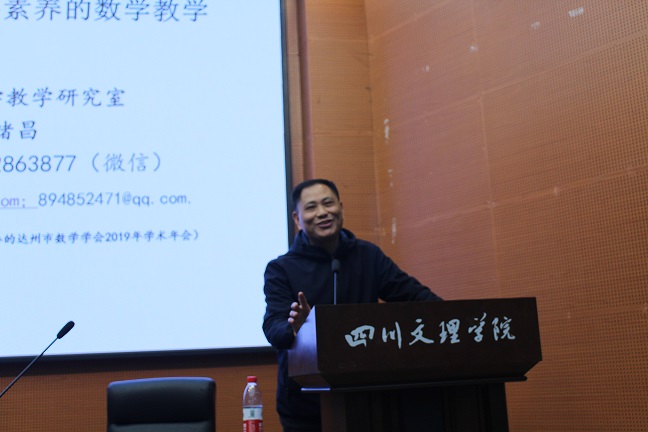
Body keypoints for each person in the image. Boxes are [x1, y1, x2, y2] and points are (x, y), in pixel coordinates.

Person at [262, 178, 443, 432]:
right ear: (297, 219)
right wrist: (296, 328)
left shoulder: (368, 256)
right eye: (312, 207)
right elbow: (273, 326)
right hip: (306, 406)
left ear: (341, 208)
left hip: (365, 399)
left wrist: (450, 318)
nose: (322, 212)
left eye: (328, 203)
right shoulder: (281, 268)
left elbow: (418, 299)